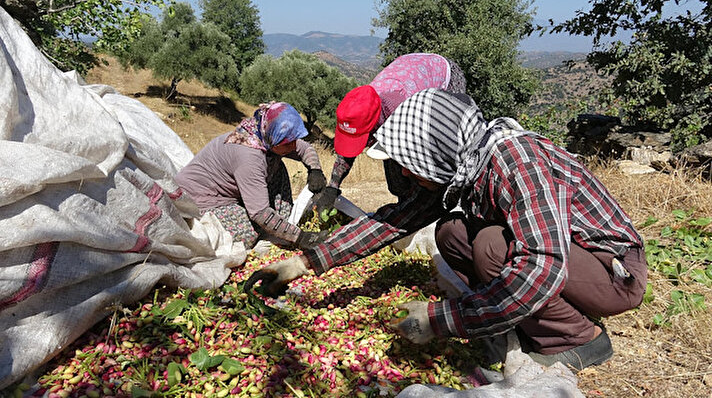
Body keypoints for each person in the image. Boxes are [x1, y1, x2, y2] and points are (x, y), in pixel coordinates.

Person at [245, 89, 648, 371]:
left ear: (435, 152)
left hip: (610, 273)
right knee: (452, 232)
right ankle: (517, 318)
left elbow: (540, 266)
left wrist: (444, 319)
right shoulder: (466, 163)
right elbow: (392, 221)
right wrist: (304, 262)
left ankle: (577, 339)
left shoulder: (516, 163)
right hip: (566, 259)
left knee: (490, 246)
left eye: (409, 163)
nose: (403, 173)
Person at [311, 53, 467, 212]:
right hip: (407, 72)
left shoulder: (403, 111)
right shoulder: (360, 107)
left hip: (441, 75)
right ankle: (407, 206)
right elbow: (348, 151)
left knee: (428, 177)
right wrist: (333, 188)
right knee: (397, 183)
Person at [175, 101, 329, 251]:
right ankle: (275, 229)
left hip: (235, 191)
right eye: (288, 143)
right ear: (273, 139)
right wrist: (300, 237)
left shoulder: (264, 132)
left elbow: (304, 148)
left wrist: (314, 169)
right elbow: (259, 213)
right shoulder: (249, 157)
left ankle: (278, 225)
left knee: (277, 167)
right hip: (201, 200)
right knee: (248, 234)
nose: (293, 146)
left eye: (294, 140)